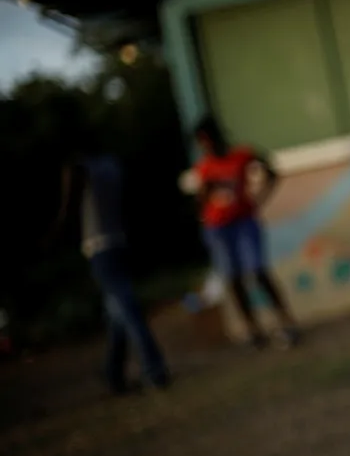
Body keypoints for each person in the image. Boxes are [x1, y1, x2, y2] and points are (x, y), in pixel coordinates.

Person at [50, 132, 171, 395]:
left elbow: (69, 207)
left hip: (99, 247)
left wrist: (53, 239)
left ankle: (154, 368)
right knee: (116, 312)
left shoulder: (80, 168)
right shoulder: (112, 165)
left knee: (127, 310)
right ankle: (113, 373)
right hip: (119, 241)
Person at [190, 115, 298, 350]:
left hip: (244, 223)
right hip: (218, 227)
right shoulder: (205, 166)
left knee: (258, 271)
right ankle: (252, 328)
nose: (205, 146)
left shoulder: (241, 156)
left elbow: (270, 169)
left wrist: (260, 198)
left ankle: (285, 321)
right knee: (233, 278)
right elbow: (202, 197)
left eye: (206, 140)